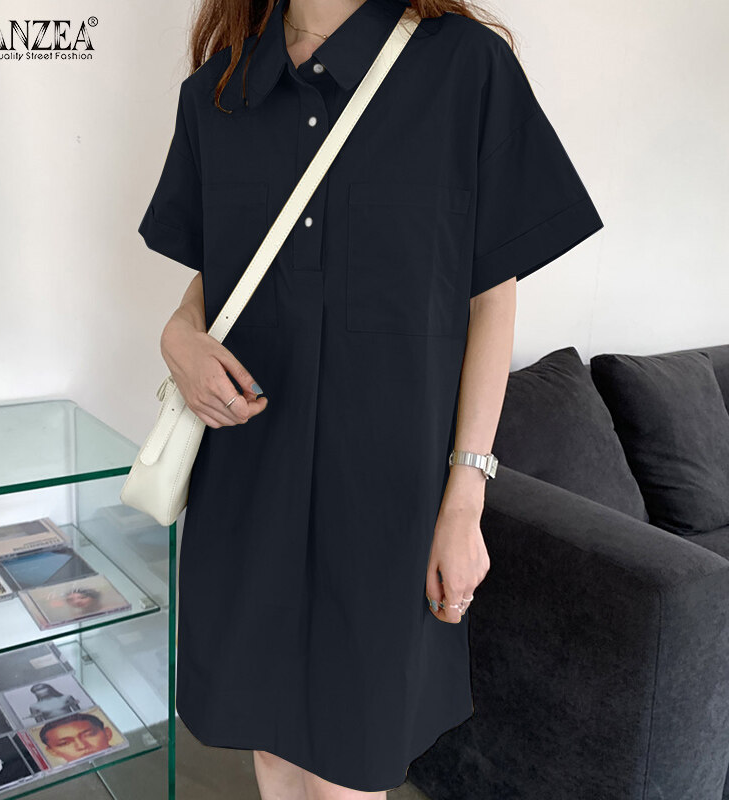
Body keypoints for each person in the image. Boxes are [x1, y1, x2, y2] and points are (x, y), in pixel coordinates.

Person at [137, 0, 604, 796]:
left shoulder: (463, 67)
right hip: (247, 484)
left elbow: (491, 296)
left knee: (351, 766)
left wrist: (465, 500)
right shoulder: (221, 87)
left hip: (389, 502)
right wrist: (177, 335)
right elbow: (225, 270)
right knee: (270, 750)